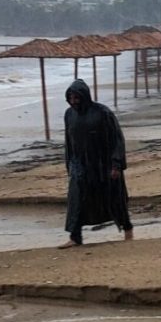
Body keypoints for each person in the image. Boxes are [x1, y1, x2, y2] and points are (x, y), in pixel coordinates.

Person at [58, 79, 133, 248]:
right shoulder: (69, 114)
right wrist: (69, 164)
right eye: (70, 98)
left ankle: (127, 228)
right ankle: (75, 237)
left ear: (84, 96)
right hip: (79, 165)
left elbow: (116, 139)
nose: (73, 101)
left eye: (76, 98)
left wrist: (116, 164)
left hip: (103, 164)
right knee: (76, 199)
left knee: (114, 199)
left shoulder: (102, 112)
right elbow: (69, 141)